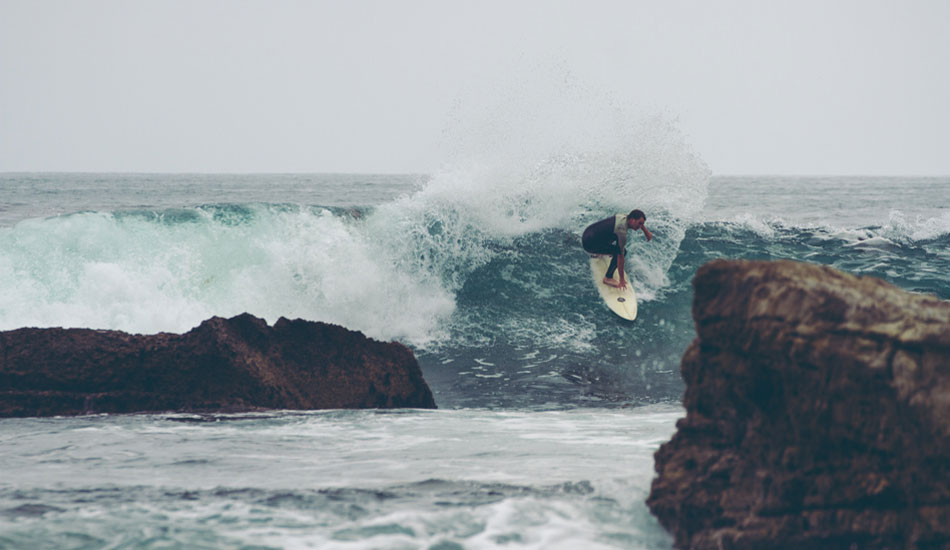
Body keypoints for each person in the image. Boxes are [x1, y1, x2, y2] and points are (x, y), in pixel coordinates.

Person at [582, 209, 653, 290]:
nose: (640, 226)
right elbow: (620, 258)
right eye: (639, 224)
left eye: (642, 224)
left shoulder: (623, 217)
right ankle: (608, 278)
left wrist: (646, 232)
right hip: (589, 244)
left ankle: (600, 251)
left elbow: (638, 220)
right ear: (632, 220)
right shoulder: (621, 231)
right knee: (621, 252)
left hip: (588, 234)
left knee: (613, 234)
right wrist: (621, 280)